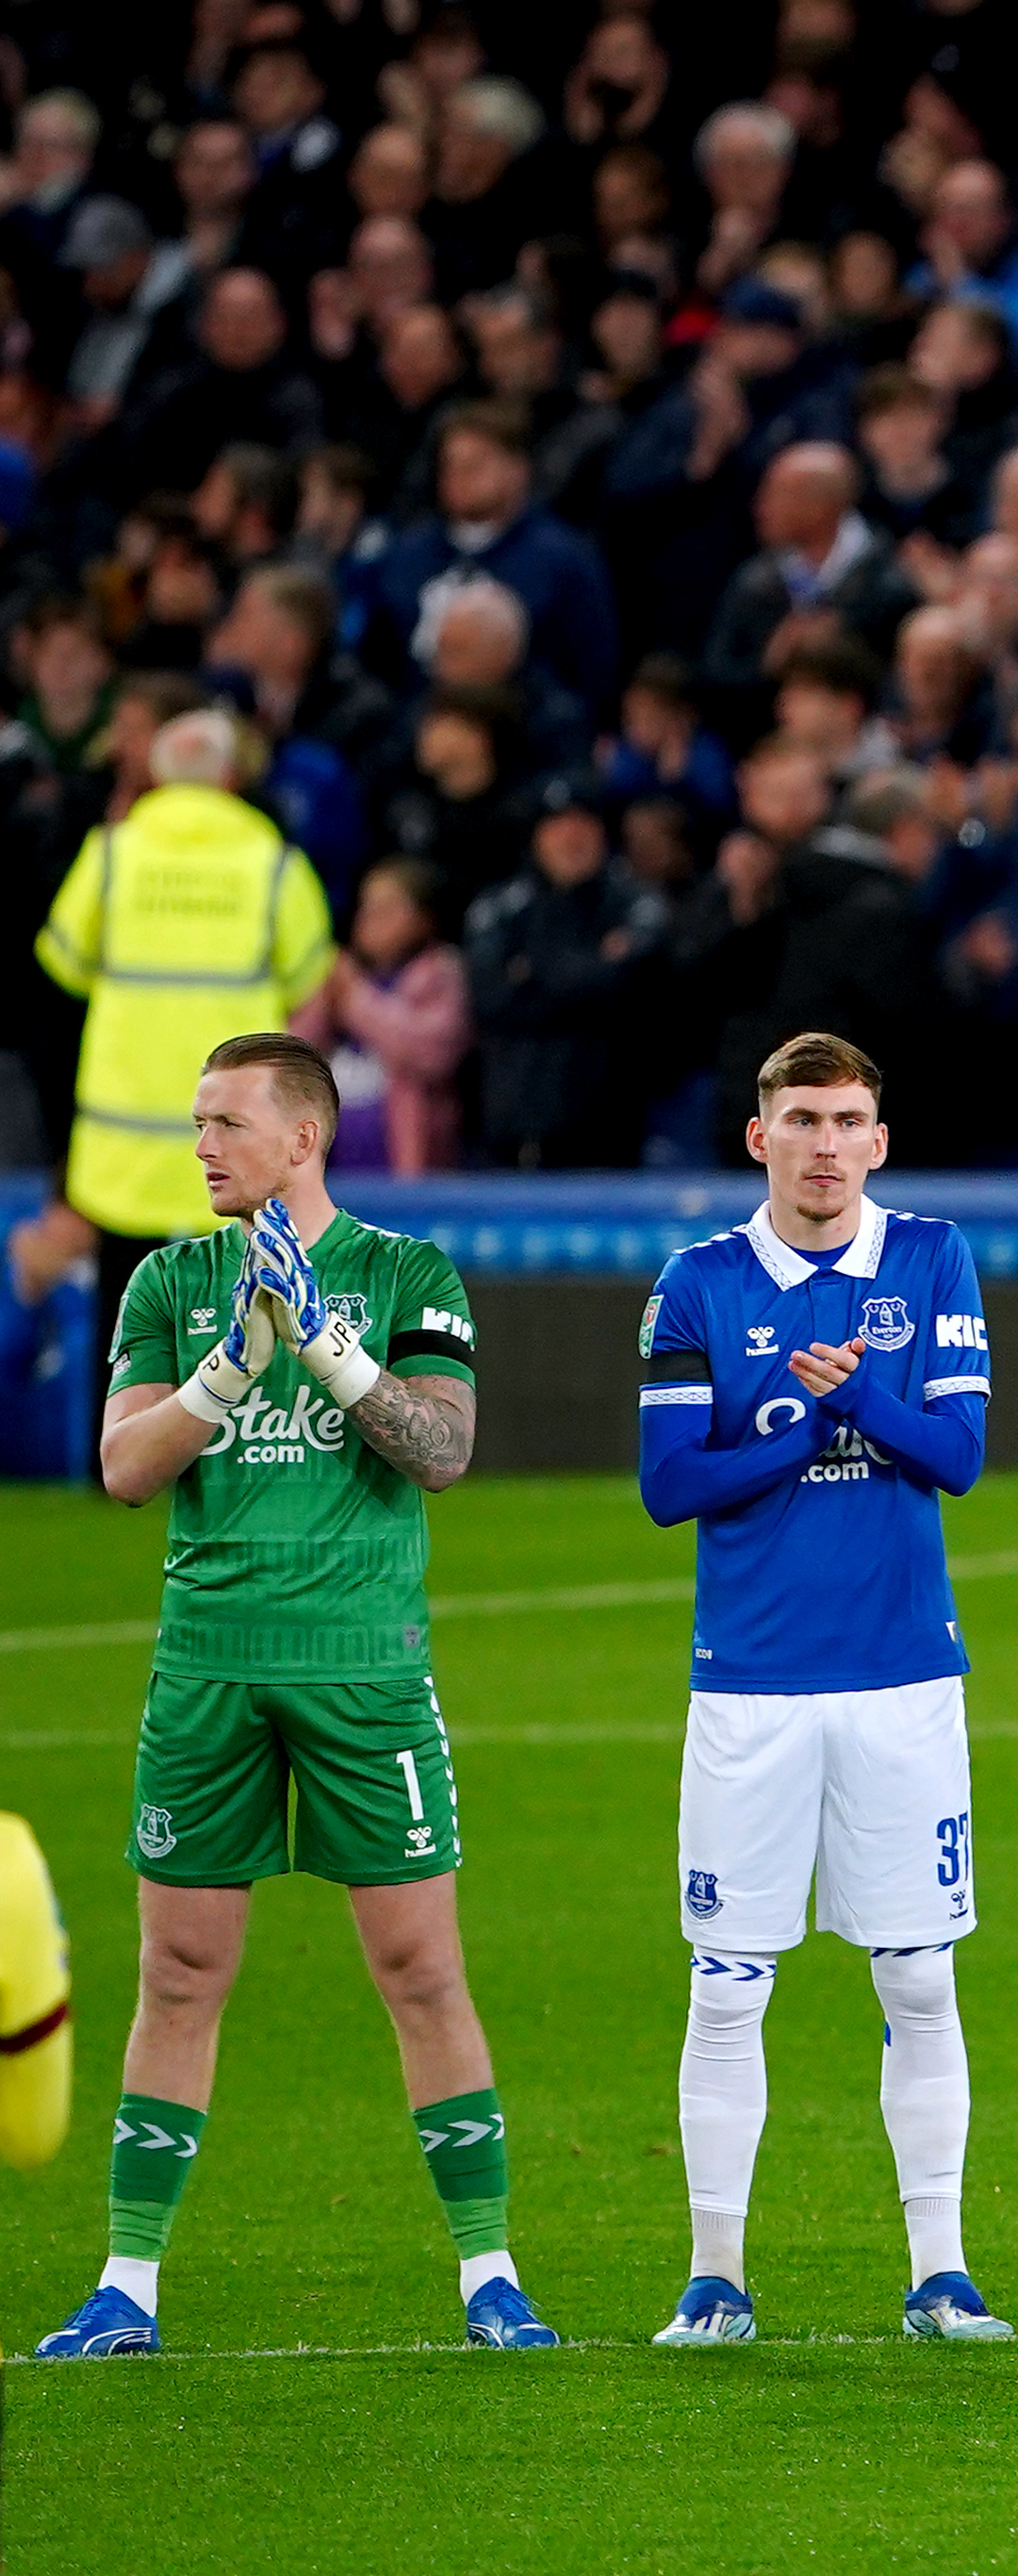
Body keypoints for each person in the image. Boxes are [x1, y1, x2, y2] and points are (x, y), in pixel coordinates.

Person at [34, 1036, 545, 2359]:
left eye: (223, 1123)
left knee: (421, 1969)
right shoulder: (169, 1279)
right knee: (181, 1972)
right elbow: (125, 1470)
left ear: (302, 1140)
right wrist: (234, 1365)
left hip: (365, 1675)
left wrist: (328, 1350)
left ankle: (490, 2275)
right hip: (206, 1672)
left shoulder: (404, 1276)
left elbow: (442, 1451)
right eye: (195, 1120)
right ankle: (127, 2287)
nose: (199, 1145)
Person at [631, 1034, 1010, 2348]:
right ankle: (715, 2276)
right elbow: (670, 1483)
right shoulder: (698, 1285)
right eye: (804, 1119)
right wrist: (803, 1427)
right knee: (728, 1986)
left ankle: (941, 2270)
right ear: (760, 1139)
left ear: (880, 1142)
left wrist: (855, 1408)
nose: (829, 1144)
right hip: (751, 1689)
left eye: (851, 1120)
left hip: (905, 1680)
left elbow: (957, 1455)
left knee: (917, 1979)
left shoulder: (930, 1257)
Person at [36, 711, 331, 1358]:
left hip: (124, 1141)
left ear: (158, 774)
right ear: (229, 775)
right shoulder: (274, 863)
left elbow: (62, 959)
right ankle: (226, 1460)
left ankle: (114, 1455)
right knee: (241, 1325)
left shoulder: (113, 853)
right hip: (237, 1136)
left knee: (128, 1323)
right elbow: (312, 975)